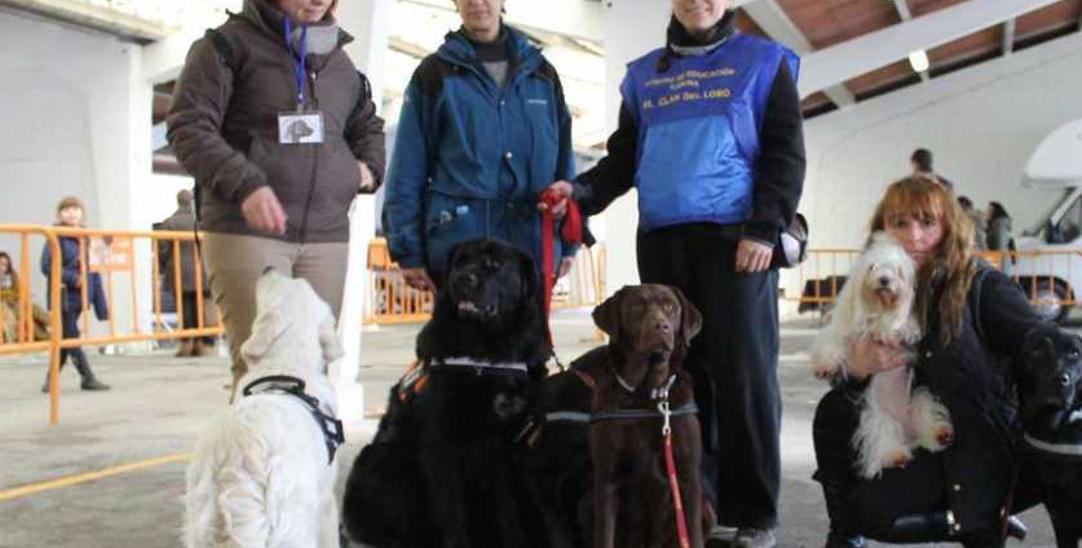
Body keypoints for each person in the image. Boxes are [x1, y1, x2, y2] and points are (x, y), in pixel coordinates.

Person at [548, 2, 805, 545]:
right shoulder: (644, 75)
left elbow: (785, 153)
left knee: (744, 377)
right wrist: (584, 194)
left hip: (736, 242)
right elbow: (624, 157)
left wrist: (764, 228)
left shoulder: (764, 61)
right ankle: (699, 506)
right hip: (663, 242)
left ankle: (753, 513)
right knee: (679, 380)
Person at [812, 176, 1082, 547]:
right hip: (917, 428)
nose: (913, 236)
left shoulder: (981, 287)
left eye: (926, 223)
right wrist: (858, 366)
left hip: (980, 442)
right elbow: (854, 384)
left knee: (874, 513)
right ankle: (844, 536)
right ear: (883, 228)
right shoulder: (876, 284)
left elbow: (1056, 347)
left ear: (948, 227)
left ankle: (982, 518)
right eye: (900, 223)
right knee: (833, 411)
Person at [167, 0, 386, 391]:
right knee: (262, 368)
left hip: (326, 235)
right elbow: (189, 127)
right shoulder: (224, 47)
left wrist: (367, 168)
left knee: (314, 367)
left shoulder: (342, 64)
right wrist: (246, 183)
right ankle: (255, 453)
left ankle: (310, 454)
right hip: (246, 232)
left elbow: (367, 124)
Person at [382, 0, 578, 297]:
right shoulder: (434, 74)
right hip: (460, 251)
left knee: (528, 343)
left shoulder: (543, 75)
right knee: (462, 343)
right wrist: (407, 249)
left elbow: (565, 161)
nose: (476, 2)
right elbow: (407, 168)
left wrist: (570, 238)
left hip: (531, 245)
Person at [40, 197, 110, 392]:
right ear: (59, 214)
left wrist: (100, 305)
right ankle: (87, 377)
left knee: (65, 339)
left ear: (82, 213)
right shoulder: (55, 236)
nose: (71, 213)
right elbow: (47, 266)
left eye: (75, 209)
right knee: (72, 336)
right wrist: (73, 278)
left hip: (81, 297)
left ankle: (51, 380)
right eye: (66, 209)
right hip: (62, 296)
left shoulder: (88, 237)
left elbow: (94, 271)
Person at [155, 189, 215, 357]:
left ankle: (187, 343)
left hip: (179, 273)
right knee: (203, 309)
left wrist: (166, 265)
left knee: (186, 308)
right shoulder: (204, 222)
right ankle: (204, 344)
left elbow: (162, 249)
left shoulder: (170, 223)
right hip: (202, 272)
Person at [0, 251, 51, 343]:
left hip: (16, 303)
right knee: (26, 311)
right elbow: (5, 296)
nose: (2, 267)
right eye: (0, 264)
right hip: (6, 307)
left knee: (32, 309)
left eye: (5, 265)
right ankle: (48, 335)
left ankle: (54, 325)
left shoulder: (12, 275)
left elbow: (18, 291)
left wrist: (15, 296)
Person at [986, 201, 1014, 271]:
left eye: (989, 210)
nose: (987, 213)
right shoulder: (995, 225)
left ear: (995, 212)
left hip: (1000, 261)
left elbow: (999, 245)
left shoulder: (999, 225)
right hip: (999, 260)